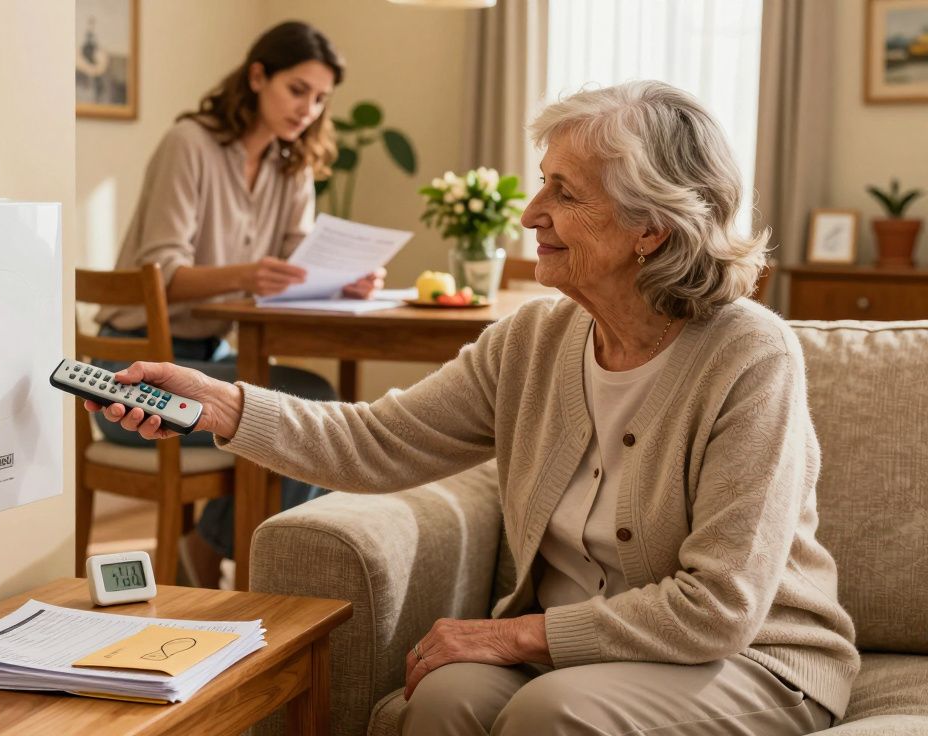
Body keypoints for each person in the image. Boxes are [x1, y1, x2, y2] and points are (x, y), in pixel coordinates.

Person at [84, 81, 860, 734]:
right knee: (445, 696)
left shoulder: (748, 355)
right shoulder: (533, 339)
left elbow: (719, 608)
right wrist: (224, 406)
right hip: (588, 649)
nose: (529, 212)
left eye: (564, 191)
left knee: (548, 711)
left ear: (649, 228)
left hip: (746, 657)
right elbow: (376, 441)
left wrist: (516, 633)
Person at [94, 21, 385, 589]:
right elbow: (164, 273)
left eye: (321, 98)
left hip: (212, 363)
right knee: (308, 400)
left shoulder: (291, 165)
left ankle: (224, 554)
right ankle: (239, 563)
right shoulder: (190, 145)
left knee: (305, 404)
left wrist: (339, 280)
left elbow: (292, 266)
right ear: (257, 76)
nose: (309, 108)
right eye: (297, 89)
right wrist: (249, 274)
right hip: (133, 373)